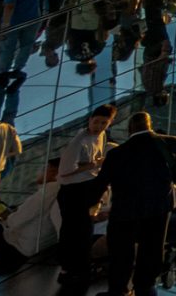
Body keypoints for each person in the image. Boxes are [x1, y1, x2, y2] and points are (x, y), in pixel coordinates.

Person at [97, 110, 176, 296]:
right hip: (159, 205)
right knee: (153, 245)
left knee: (122, 251)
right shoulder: (170, 143)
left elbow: (102, 181)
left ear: (130, 129)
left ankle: (119, 288)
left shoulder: (117, 153)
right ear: (150, 124)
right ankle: (145, 284)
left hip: (125, 208)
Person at [52, 102, 114, 291]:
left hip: (86, 187)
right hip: (73, 191)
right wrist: (93, 165)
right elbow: (64, 171)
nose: (99, 127)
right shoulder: (79, 141)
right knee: (73, 230)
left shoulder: (100, 136)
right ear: (90, 120)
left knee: (83, 229)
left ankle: (78, 266)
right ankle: (69, 266)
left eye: (104, 123)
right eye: (96, 122)